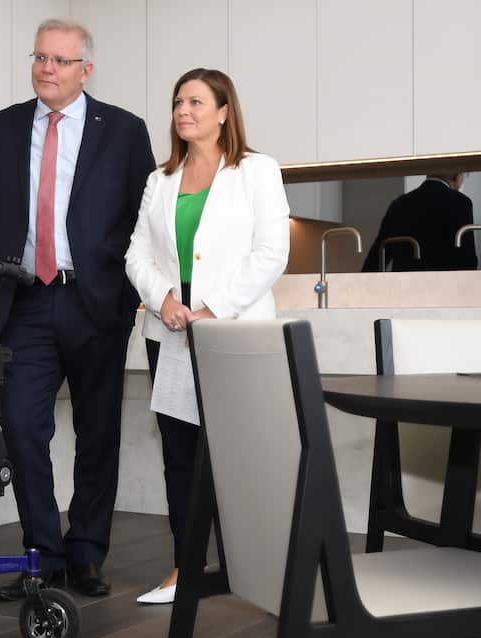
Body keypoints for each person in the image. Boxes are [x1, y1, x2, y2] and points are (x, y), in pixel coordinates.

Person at [0, 19, 154, 601]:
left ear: (85, 69)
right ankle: (43, 553)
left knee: (98, 433)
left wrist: (137, 287)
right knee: (20, 424)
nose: (47, 68)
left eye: (60, 60)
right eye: (40, 57)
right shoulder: (2, 128)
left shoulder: (123, 130)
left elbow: (147, 217)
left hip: (96, 301)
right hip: (26, 300)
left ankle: (87, 552)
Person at [124, 69, 290, 605]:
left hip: (233, 331)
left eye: (196, 101)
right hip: (169, 330)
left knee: (239, 449)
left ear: (223, 112)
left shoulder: (256, 171)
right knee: (180, 454)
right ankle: (186, 567)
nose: (183, 110)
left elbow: (272, 252)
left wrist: (213, 309)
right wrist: (166, 300)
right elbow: (136, 255)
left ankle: (260, 564)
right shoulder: (160, 179)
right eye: (177, 101)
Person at [361, 173, 476, 271]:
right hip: (444, 287)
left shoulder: (399, 204)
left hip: (403, 288)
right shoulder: (461, 203)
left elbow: (378, 256)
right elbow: (468, 257)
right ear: (457, 176)